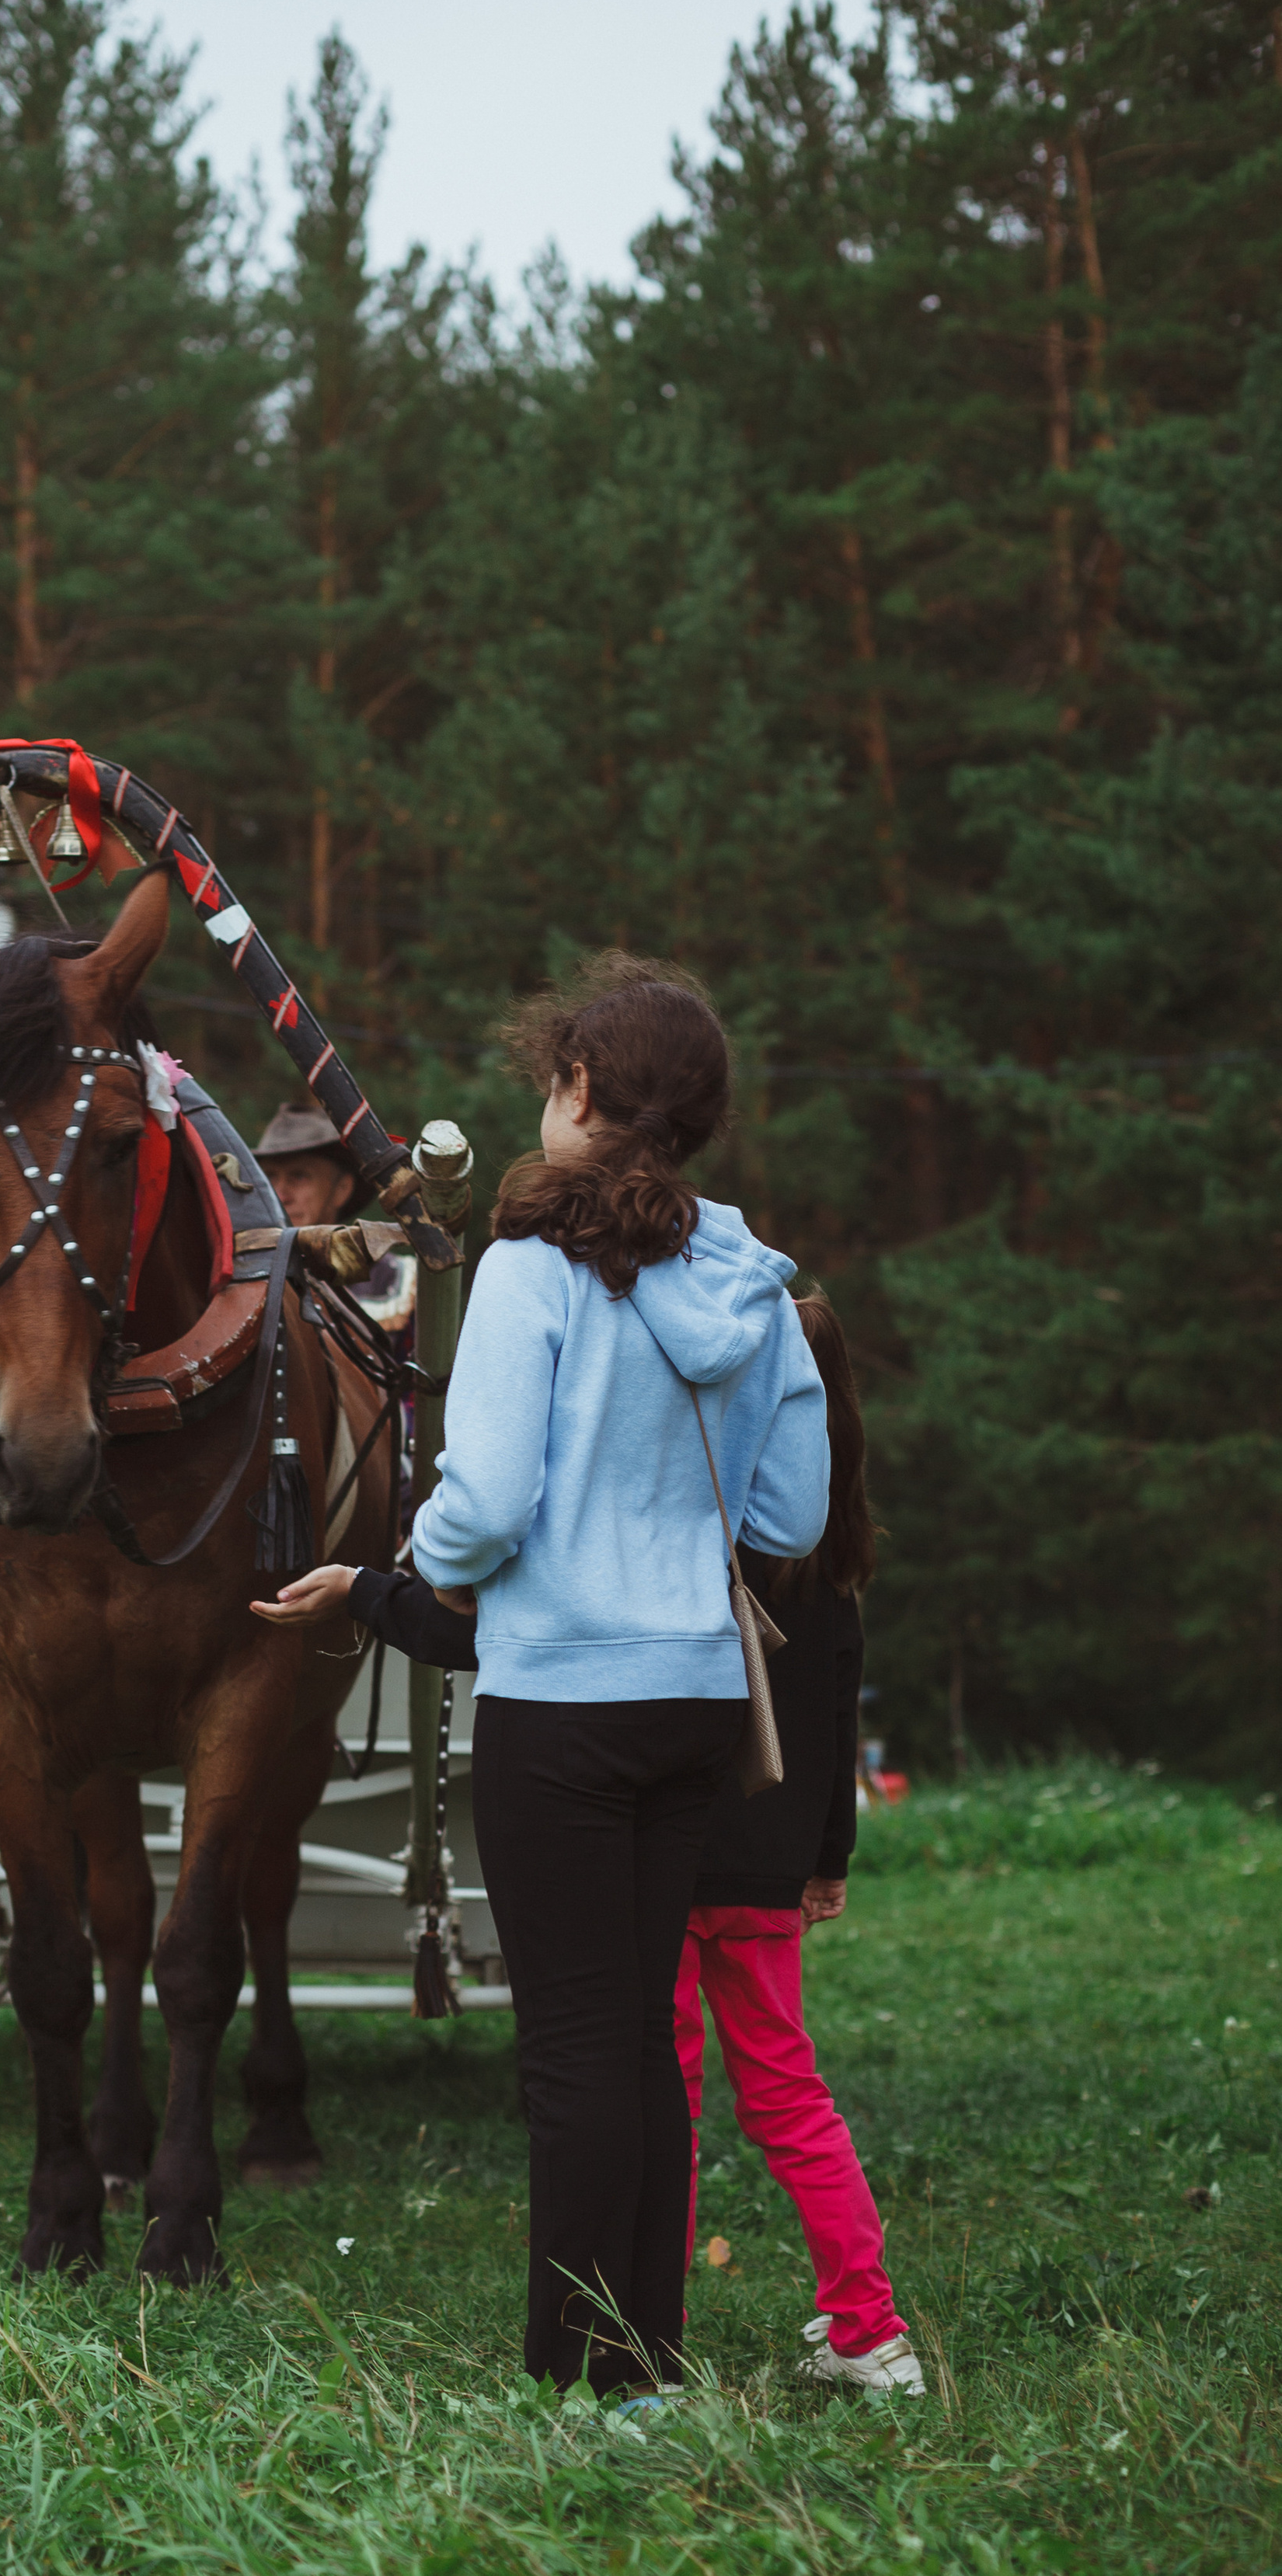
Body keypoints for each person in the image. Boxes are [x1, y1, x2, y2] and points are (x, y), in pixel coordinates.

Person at [254, 954, 829, 2403]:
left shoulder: (526, 1273)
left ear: (581, 1091)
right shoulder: (749, 1280)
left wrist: (426, 1552)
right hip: (698, 1698)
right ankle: (647, 2372)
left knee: (574, 2054)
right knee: (641, 2036)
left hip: (562, 1713)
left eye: (551, 1074)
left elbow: (489, 1500)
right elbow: (790, 1520)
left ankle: (578, 2385)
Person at [679, 1290, 925, 2396]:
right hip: (770, 1868)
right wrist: (830, 1861)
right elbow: (833, 1722)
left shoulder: (697, 1520)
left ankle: (649, 2330)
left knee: (663, 2093)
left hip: (671, 1852)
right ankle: (869, 2331)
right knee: (787, 2091)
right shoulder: (834, 1555)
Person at [256, 1102, 414, 1337]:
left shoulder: (392, 1281)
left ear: (342, 1189)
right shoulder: (242, 1274)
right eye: (270, 1177)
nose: (280, 1195)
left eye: (298, 1176)